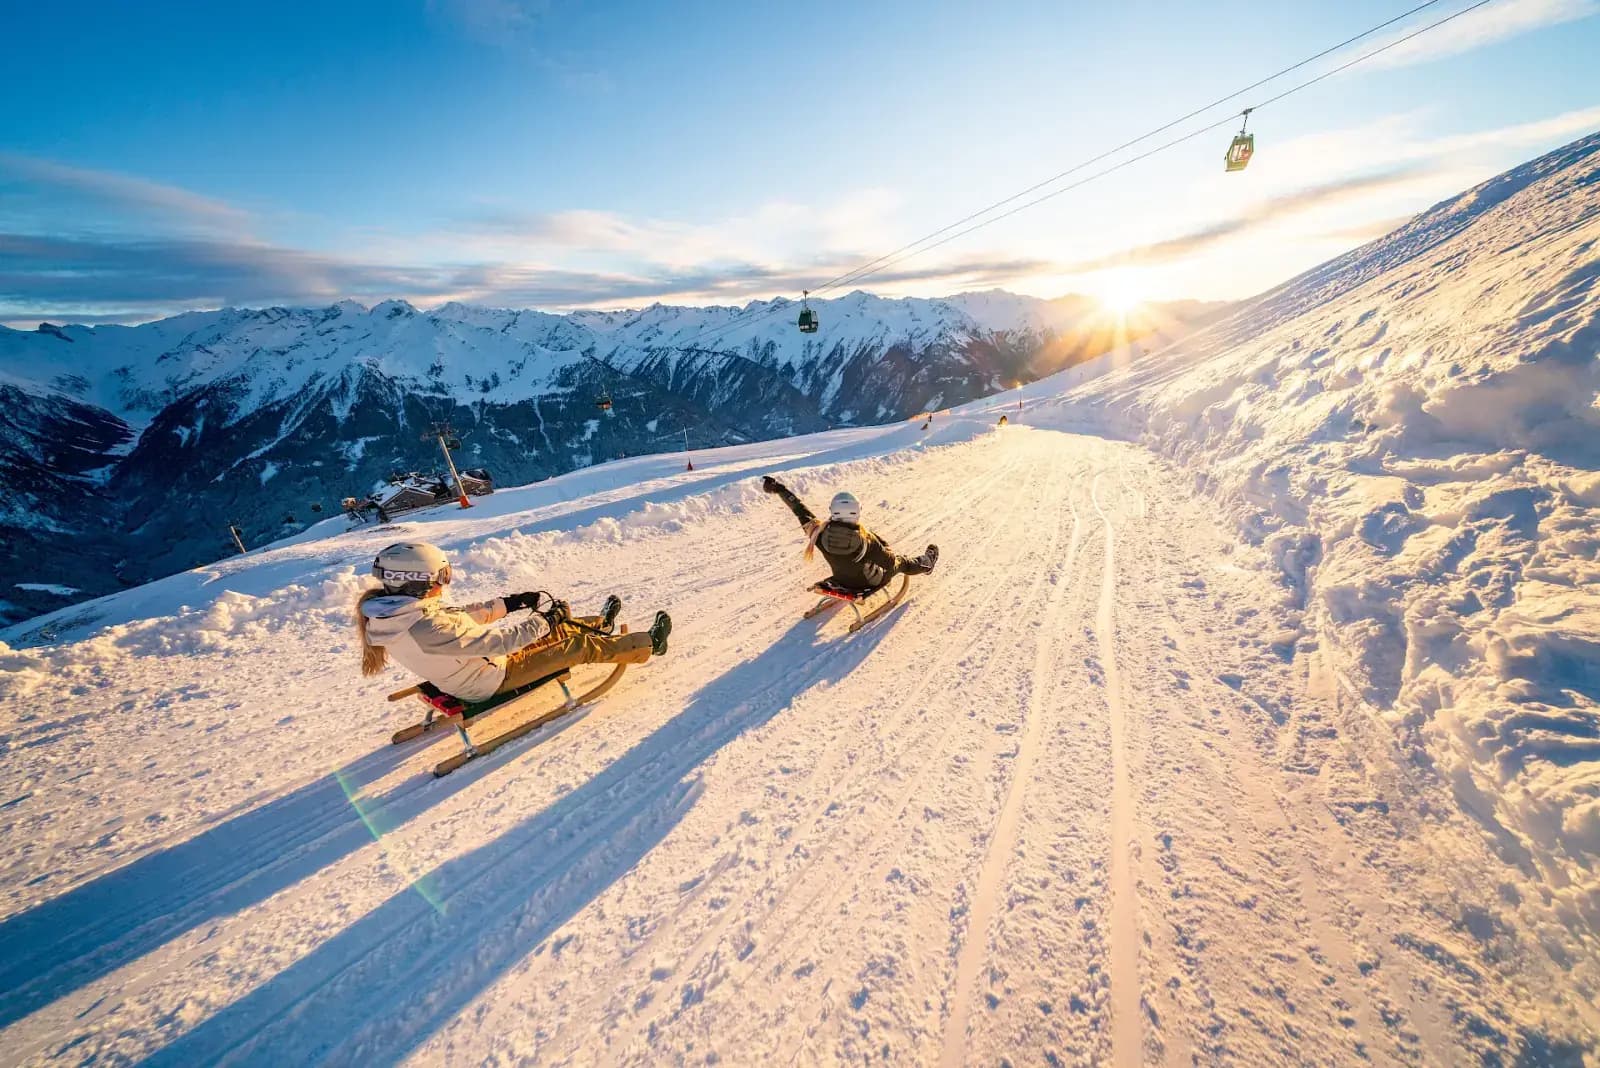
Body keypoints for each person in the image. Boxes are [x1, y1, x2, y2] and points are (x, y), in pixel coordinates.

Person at [355, 542, 670, 702]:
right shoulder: (425, 628)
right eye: (442, 576)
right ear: (418, 580)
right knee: (575, 645)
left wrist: (512, 603)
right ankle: (649, 645)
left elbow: (462, 617)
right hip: (490, 679)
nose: (445, 583)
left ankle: (601, 624)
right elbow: (500, 643)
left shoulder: (399, 613)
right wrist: (544, 621)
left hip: (482, 666)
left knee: (558, 626)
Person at [761, 476, 938, 591]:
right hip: (868, 583)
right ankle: (926, 563)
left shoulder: (819, 533)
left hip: (842, 579)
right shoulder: (867, 540)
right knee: (902, 562)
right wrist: (890, 553)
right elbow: (890, 564)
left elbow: (800, 510)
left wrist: (780, 489)